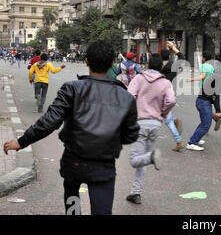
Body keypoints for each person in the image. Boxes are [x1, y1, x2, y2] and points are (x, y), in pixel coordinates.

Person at [3, 41, 139, 215]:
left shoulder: (72, 89)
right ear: (112, 64)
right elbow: (131, 135)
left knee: (72, 207)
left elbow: (49, 121)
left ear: (87, 61)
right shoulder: (126, 97)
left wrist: (22, 142)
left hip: (74, 164)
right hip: (103, 169)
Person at [126, 53, 176, 204]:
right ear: (161, 67)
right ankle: (136, 193)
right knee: (142, 160)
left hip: (140, 123)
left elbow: (129, 95)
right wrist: (163, 111)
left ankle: (151, 158)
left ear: (147, 65)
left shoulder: (139, 78)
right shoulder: (165, 82)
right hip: (155, 124)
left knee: (135, 160)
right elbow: (172, 100)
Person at [186, 51, 215, 151]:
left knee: (205, 123)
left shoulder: (203, 65)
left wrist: (191, 79)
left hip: (203, 93)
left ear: (204, 58)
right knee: (205, 123)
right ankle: (193, 141)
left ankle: (193, 141)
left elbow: (203, 76)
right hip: (207, 93)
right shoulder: (211, 67)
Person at [161, 41, 185, 151]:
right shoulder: (173, 67)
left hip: (160, 96)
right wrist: (173, 47)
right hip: (170, 94)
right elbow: (181, 56)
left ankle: (179, 141)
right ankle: (174, 120)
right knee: (167, 118)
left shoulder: (157, 67)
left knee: (167, 120)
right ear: (170, 56)